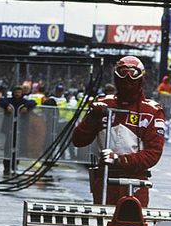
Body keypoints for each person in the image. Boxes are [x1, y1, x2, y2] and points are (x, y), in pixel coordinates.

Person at [71, 56, 165, 206]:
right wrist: (92, 118)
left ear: (140, 79)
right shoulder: (102, 104)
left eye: (132, 78)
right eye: (122, 77)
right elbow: (78, 140)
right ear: (116, 78)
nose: (127, 83)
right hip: (105, 180)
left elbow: (153, 154)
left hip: (136, 182)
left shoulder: (152, 111)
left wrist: (120, 160)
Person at [0, 86, 36, 174]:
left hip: (20, 129)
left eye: (19, 92)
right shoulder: (9, 100)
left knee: (17, 148)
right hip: (9, 128)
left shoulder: (24, 101)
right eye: (16, 92)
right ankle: (6, 166)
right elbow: (0, 100)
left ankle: (15, 165)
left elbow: (33, 102)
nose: (18, 94)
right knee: (8, 147)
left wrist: (26, 107)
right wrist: (7, 106)